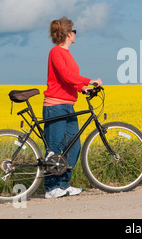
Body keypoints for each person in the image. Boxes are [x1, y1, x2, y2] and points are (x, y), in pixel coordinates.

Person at [43, 16, 102, 199]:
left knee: (74, 146)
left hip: (68, 106)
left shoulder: (67, 54)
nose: (76, 34)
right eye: (74, 31)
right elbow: (66, 75)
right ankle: (51, 187)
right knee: (55, 148)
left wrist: (82, 88)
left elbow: (68, 80)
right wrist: (88, 80)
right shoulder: (56, 52)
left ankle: (63, 184)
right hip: (56, 106)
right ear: (69, 34)